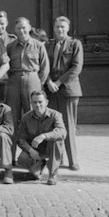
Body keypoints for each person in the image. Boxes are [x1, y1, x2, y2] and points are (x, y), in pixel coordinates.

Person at [5, 17, 50, 153]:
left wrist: (37, 83)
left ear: (29, 28)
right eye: (19, 28)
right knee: (12, 117)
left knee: (33, 115)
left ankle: (33, 155)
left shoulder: (38, 45)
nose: (22, 31)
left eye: (24, 27)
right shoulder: (11, 46)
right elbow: (5, 66)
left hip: (32, 79)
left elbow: (45, 68)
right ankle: (10, 155)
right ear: (15, 30)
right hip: (14, 81)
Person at [45, 16, 83, 171]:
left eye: (63, 27)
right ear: (53, 29)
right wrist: (48, 82)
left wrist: (59, 82)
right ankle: (58, 159)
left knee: (68, 125)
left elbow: (76, 67)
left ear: (68, 28)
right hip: (51, 90)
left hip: (67, 90)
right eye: (57, 27)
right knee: (55, 126)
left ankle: (73, 160)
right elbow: (43, 65)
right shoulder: (48, 45)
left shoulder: (75, 44)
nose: (60, 30)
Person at [17, 90, 66, 185]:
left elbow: (62, 132)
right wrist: (31, 150)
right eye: (34, 102)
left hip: (50, 148)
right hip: (35, 149)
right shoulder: (26, 118)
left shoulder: (55, 115)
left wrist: (44, 136)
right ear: (31, 103)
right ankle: (39, 165)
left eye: (40, 102)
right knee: (22, 159)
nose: (37, 105)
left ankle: (53, 174)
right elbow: (20, 139)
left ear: (46, 102)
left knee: (57, 140)